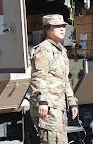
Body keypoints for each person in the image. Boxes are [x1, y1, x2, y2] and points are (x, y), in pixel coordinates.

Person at [29, 14, 78, 144]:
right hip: (48, 106)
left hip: (58, 106)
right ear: (48, 29)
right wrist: (43, 102)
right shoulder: (43, 50)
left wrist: (72, 102)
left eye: (63, 26)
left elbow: (65, 79)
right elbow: (38, 78)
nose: (62, 29)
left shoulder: (61, 50)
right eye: (57, 26)